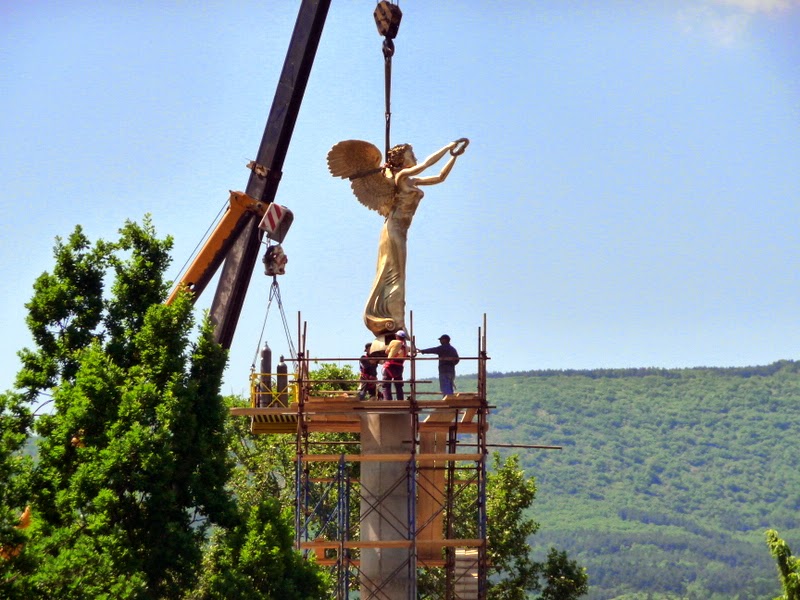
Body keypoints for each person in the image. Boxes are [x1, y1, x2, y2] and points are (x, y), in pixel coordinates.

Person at [327, 138, 469, 337]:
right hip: (393, 229)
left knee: (396, 275)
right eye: (411, 154)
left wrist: (453, 157)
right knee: (396, 277)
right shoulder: (402, 176)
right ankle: (398, 323)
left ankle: (393, 319)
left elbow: (440, 177)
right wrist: (446, 147)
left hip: (400, 230)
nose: (415, 157)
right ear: (402, 159)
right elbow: (426, 164)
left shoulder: (411, 181)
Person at [382, 330, 408, 400]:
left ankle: (388, 400)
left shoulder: (394, 342)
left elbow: (386, 351)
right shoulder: (406, 347)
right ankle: (400, 400)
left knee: (386, 384)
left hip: (390, 366)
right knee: (398, 385)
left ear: (397, 336)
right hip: (399, 367)